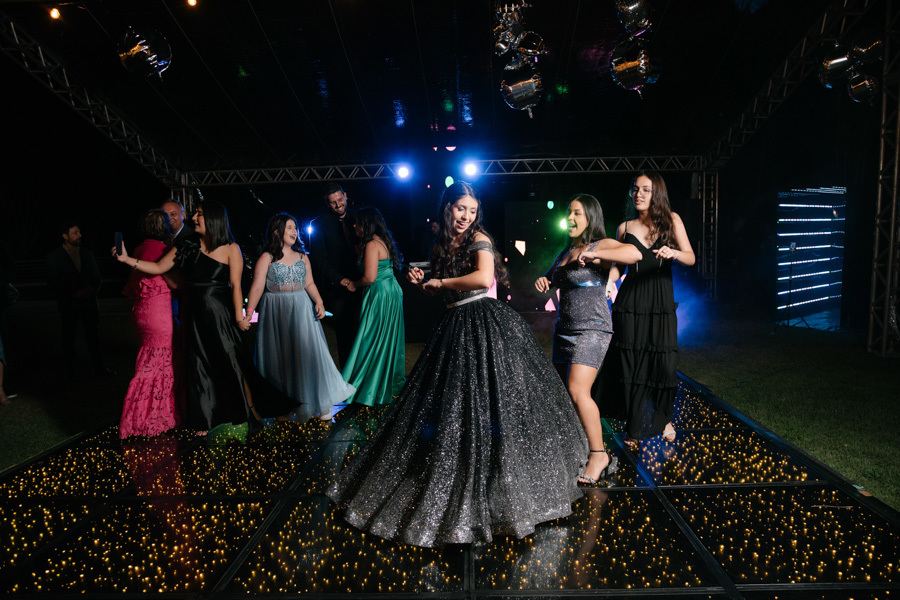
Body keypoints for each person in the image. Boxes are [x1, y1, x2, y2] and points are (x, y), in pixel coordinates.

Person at [327, 181, 588, 548]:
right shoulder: (441, 243)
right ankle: (458, 473)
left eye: (472, 209)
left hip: (484, 324)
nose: (466, 216)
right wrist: (425, 284)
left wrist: (441, 280)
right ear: (447, 208)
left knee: (496, 405)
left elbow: (483, 278)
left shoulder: (478, 238)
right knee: (450, 411)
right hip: (454, 324)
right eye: (460, 208)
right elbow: (446, 290)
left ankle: (500, 486)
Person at [114, 200, 294, 434]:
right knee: (197, 366)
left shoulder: (231, 248)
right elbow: (159, 267)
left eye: (199, 214)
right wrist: (127, 260)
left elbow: (236, 287)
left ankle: (251, 412)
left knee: (233, 363)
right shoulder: (186, 245)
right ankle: (203, 420)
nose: (193, 218)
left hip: (219, 315)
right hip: (193, 314)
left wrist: (241, 317)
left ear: (213, 219)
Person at [535, 194, 642, 484]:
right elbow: (552, 281)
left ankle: (599, 455)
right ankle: (577, 450)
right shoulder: (565, 253)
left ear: (590, 217)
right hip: (564, 331)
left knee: (578, 391)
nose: (570, 218)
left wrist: (597, 256)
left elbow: (635, 254)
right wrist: (545, 281)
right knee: (567, 397)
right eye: (568, 213)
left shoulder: (601, 245)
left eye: (577, 214)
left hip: (592, 329)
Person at [604, 171, 695, 446]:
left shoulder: (672, 220)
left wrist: (674, 253)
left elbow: (690, 257)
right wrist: (609, 282)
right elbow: (617, 266)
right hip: (630, 302)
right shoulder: (624, 228)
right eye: (636, 189)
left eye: (645, 190)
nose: (639, 194)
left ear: (657, 194)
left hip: (660, 302)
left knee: (663, 365)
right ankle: (634, 425)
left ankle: (660, 415)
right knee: (630, 364)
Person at [244, 213, 355, 422]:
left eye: (295, 227)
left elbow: (310, 283)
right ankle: (283, 407)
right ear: (277, 232)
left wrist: (319, 301)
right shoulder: (266, 258)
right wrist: (249, 313)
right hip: (276, 311)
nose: (294, 231)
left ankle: (316, 402)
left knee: (306, 355)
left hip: (301, 309)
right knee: (281, 358)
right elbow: (257, 287)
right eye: (289, 228)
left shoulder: (303, 256)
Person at [118, 210, 180, 438]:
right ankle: (148, 418)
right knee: (159, 364)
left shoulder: (139, 248)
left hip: (141, 312)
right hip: (157, 313)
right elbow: (173, 282)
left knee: (148, 362)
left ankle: (147, 416)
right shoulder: (162, 250)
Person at [340, 207, 406, 406]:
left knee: (371, 337)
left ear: (366, 224)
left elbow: (369, 277)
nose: (354, 226)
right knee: (383, 338)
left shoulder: (371, 244)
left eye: (358, 223)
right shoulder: (382, 241)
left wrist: (353, 284)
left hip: (380, 294)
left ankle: (366, 385)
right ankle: (379, 382)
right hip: (390, 291)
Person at [46, 220, 112, 379]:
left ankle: (99, 368)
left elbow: (97, 277)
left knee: (93, 336)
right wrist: (73, 293)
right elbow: (53, 282)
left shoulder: (87, 254)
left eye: (79, 232)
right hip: (69, 304)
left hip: (88, 302)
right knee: (68, 336)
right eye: (75, 233)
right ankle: (70, 371)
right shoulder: (54, 257)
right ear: (65, 236)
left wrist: (89, 289)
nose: (79, 235)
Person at [308, 184, 362, 368]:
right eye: (333, 203)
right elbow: (319, 261)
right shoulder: (318, 225)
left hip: (364, 283)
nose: (338, 205)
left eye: (340, 200)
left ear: (345, 196)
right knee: (345, 334)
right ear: (327, 203)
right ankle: (348, 378)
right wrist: (341, 280)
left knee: (366, 331)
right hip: (339, 288)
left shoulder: (359, 217)